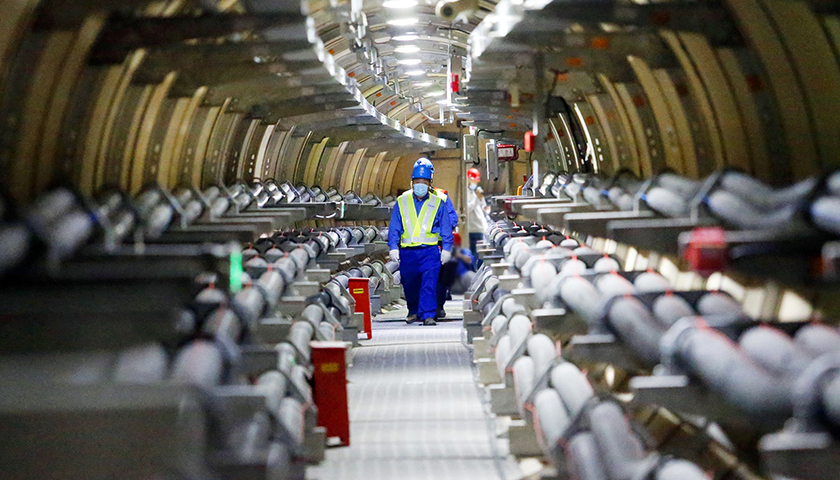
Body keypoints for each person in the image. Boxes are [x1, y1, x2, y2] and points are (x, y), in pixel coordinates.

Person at [388, 158, 454, 326]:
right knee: (410, 284)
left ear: (430, 183)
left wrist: (447, 248)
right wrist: (393, 247)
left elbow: (446, 227)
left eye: (424, 182)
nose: (420, 185)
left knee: (429, 284)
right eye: (417, 181)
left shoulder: (438, 202)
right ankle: (413, 310)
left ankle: (428, 315)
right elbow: (395, 226)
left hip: (429, 251)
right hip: (407, 252)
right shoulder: (402, 201)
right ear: (412, 182)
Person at [436, 232, 477, 318]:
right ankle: (439, 306)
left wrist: (457, 255)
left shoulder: (463, 251)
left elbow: (470, 260)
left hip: (461, 281)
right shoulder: (441, 252)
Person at [466, 167, 489, 261]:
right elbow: (467, 209)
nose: (475, 183)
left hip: (480, 229)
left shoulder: (476, 191)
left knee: (480, 256)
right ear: (468, 179)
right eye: (474, 181)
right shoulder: (465, 193)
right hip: (472, 230)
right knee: (474, 256)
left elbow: (483, 206)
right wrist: (477, 199)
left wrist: (486, 208)